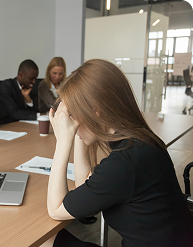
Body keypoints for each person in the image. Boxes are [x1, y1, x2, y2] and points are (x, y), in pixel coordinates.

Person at [41, 59, 193, 247]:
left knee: (43, 241)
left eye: (73, 114)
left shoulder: (124, 163)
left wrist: (63, 142)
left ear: (95, 110)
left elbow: (56, 209)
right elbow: (84, 187)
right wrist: (78, 130)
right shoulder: (140, 141)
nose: (72, 123)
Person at [0, 59, 39, 125]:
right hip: (7, 126)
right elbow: (14, 113)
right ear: (21, 75)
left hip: (24, 125)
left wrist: (28, 99)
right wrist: (39, 115)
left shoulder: (29, 87)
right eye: (31, 78)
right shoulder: (7, 86)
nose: (34, 81)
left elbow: (33, 112)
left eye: (35, 78)